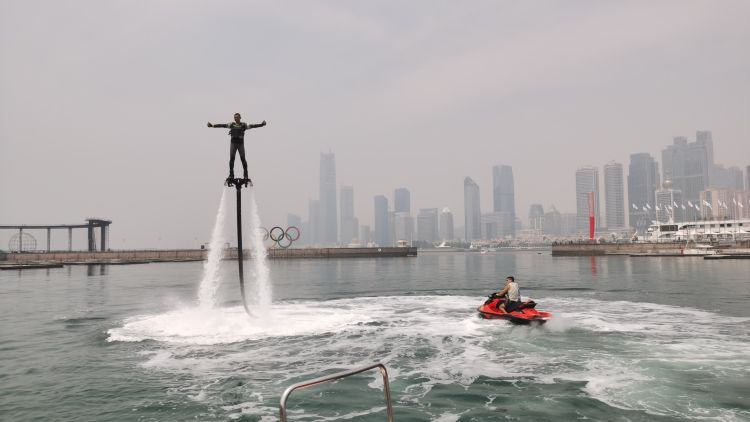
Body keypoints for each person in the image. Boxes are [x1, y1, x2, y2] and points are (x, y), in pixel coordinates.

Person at [207, 113, 267, 179]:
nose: (235, 118)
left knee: (243, 159)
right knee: (232, 159)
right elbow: (222, 125)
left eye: (237, 117)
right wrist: (212, 125)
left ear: (240, 118)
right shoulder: (232, 124)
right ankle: (231, 175)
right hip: (233, 144)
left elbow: (253, 126)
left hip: (240, 144)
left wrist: (261, 124)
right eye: (234, 117)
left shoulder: (244, 125)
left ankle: (245, 175)